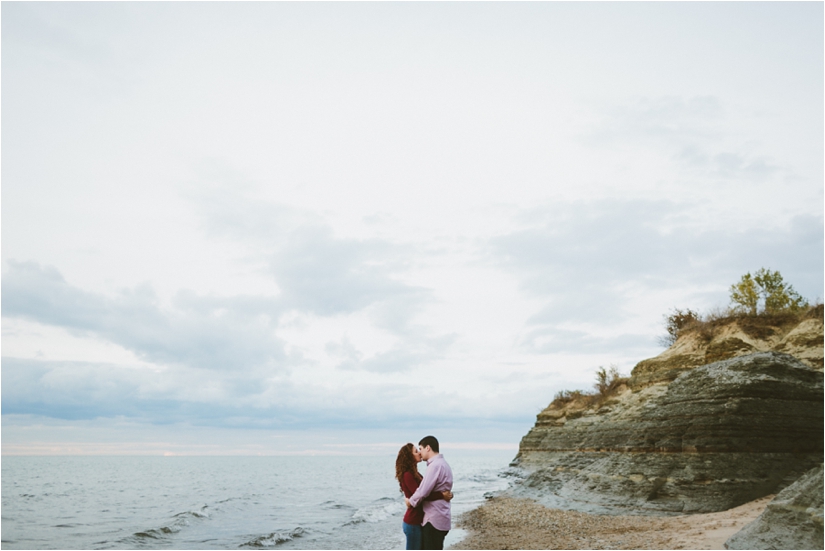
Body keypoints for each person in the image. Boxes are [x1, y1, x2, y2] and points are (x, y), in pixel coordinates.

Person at [396, 443, 453, 550]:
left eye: (419, 450)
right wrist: (441, 495)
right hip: (413, 521)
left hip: (418, 520)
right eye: (416, 451)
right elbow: (422, 495)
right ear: (409, 456)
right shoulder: (408, 475)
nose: (419, 453)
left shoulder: (415, 473)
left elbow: (425, 492)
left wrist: (445, 493)